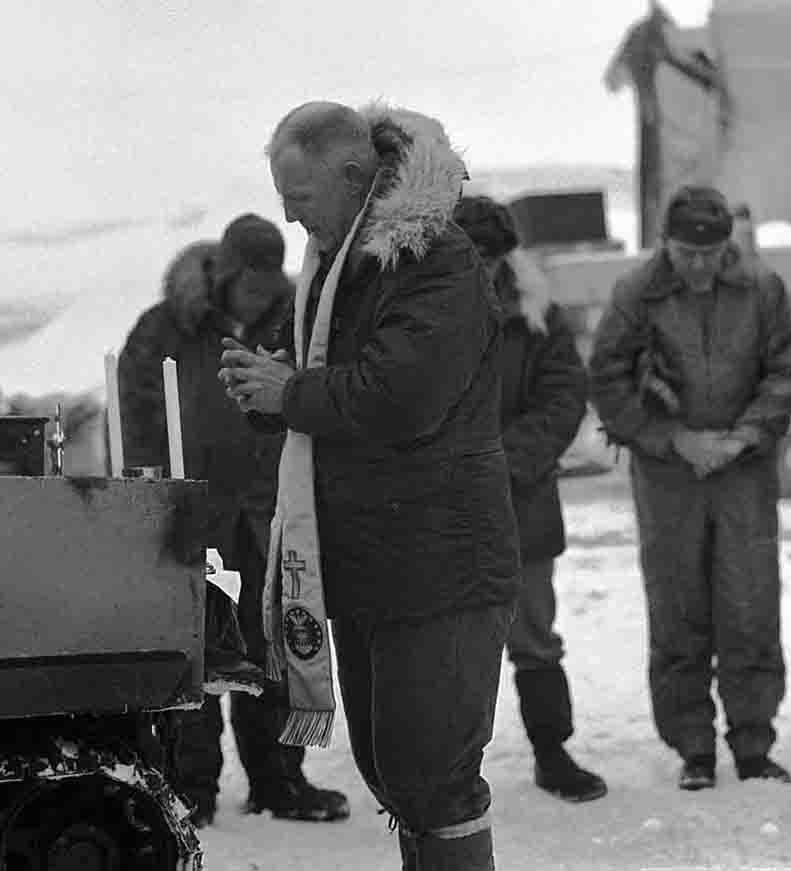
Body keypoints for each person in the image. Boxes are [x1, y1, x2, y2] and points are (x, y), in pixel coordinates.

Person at [220, 102, 520, 871]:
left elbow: (402, 397)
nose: (289, 216)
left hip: (439, 563)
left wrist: (287, 392)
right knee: (392, 769)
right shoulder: (332, 265)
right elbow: (312, 382)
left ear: (356, 178)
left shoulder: (436, 261)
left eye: (301, 197)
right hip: (370, 562)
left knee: (433, 774)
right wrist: (262, 389)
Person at [118, 215, 349, 826]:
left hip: (272, 514)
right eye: (248, 283)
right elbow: (137, 413)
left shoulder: (296, 319)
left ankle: (279, 780)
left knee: (272, 649)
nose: (259, 294)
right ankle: (192, 788)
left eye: (268, 284)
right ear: (223, 274)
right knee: (192, 655)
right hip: (192, 518)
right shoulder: (165, 328)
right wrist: (153, 498)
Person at [589, 185, 791, 790]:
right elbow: (606, 379)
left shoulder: (762, 290)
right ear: (666, 244)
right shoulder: (637, 294)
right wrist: (673, 439)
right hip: (668, 478)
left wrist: (742, 438)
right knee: (678, 606)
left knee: (750, 604)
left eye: (712, 254)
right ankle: (693, 747)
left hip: (743, 473)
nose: (701, 266)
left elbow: (787, 369)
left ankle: (754, 743)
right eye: (687, 254)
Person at [454, 195, 608, 803]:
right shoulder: (424, 312)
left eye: (494, 259)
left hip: (520, 500)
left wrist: (504, 459)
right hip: (442, 505)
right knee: (452, 643)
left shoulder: (538, 316)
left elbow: (565, 394)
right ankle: (450, 766)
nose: (485, 271)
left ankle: (552, 750)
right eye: (474, 257)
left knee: (535, 633)